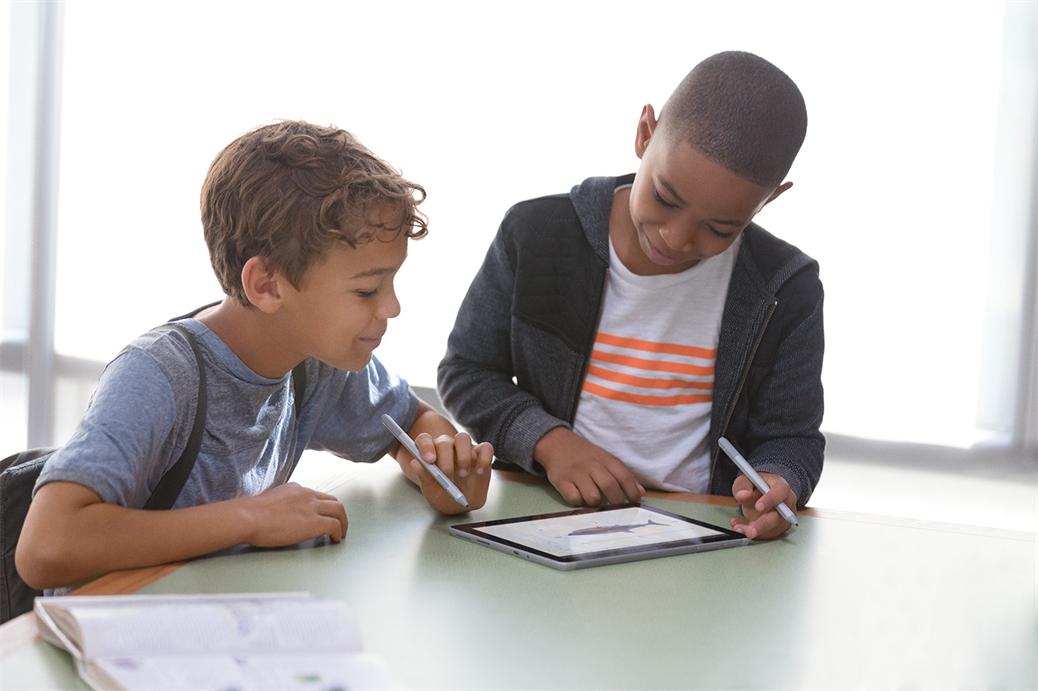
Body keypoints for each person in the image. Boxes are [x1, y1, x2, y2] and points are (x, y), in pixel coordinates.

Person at [17, 121, 492, 591]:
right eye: (367, 289)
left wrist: (439, 468)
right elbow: (46, 548)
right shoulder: (158, 376)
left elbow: (413, 421)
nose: (392, 307)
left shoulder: (315, 361)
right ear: (266, 286)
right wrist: (248, 519)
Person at [437, 51, 822, 541]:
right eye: (665, 198)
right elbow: (466, 372)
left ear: (769, 199)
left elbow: (792, 437)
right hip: (545, 519)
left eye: (720, 228)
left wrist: (780, 482)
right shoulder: (535, 234)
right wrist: (550, 443)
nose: (676, 239)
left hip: (707, 535)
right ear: (645, 133)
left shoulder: (787, 287)